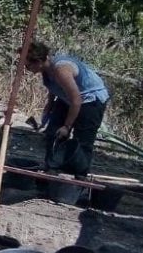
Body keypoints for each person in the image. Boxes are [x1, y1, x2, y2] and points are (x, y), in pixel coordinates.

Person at [25, 41, 109, 176]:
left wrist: (67, 126)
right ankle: (52, 169)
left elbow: (76, 100)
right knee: (53, 132)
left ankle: (78, 178)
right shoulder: (46, 71)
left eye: (28, 65)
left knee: (81, 141)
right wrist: (49, 107)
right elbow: (55, 88)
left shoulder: (61, 69)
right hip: (68, 98)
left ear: (39, 61)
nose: (26, 68)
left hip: (90, 100)